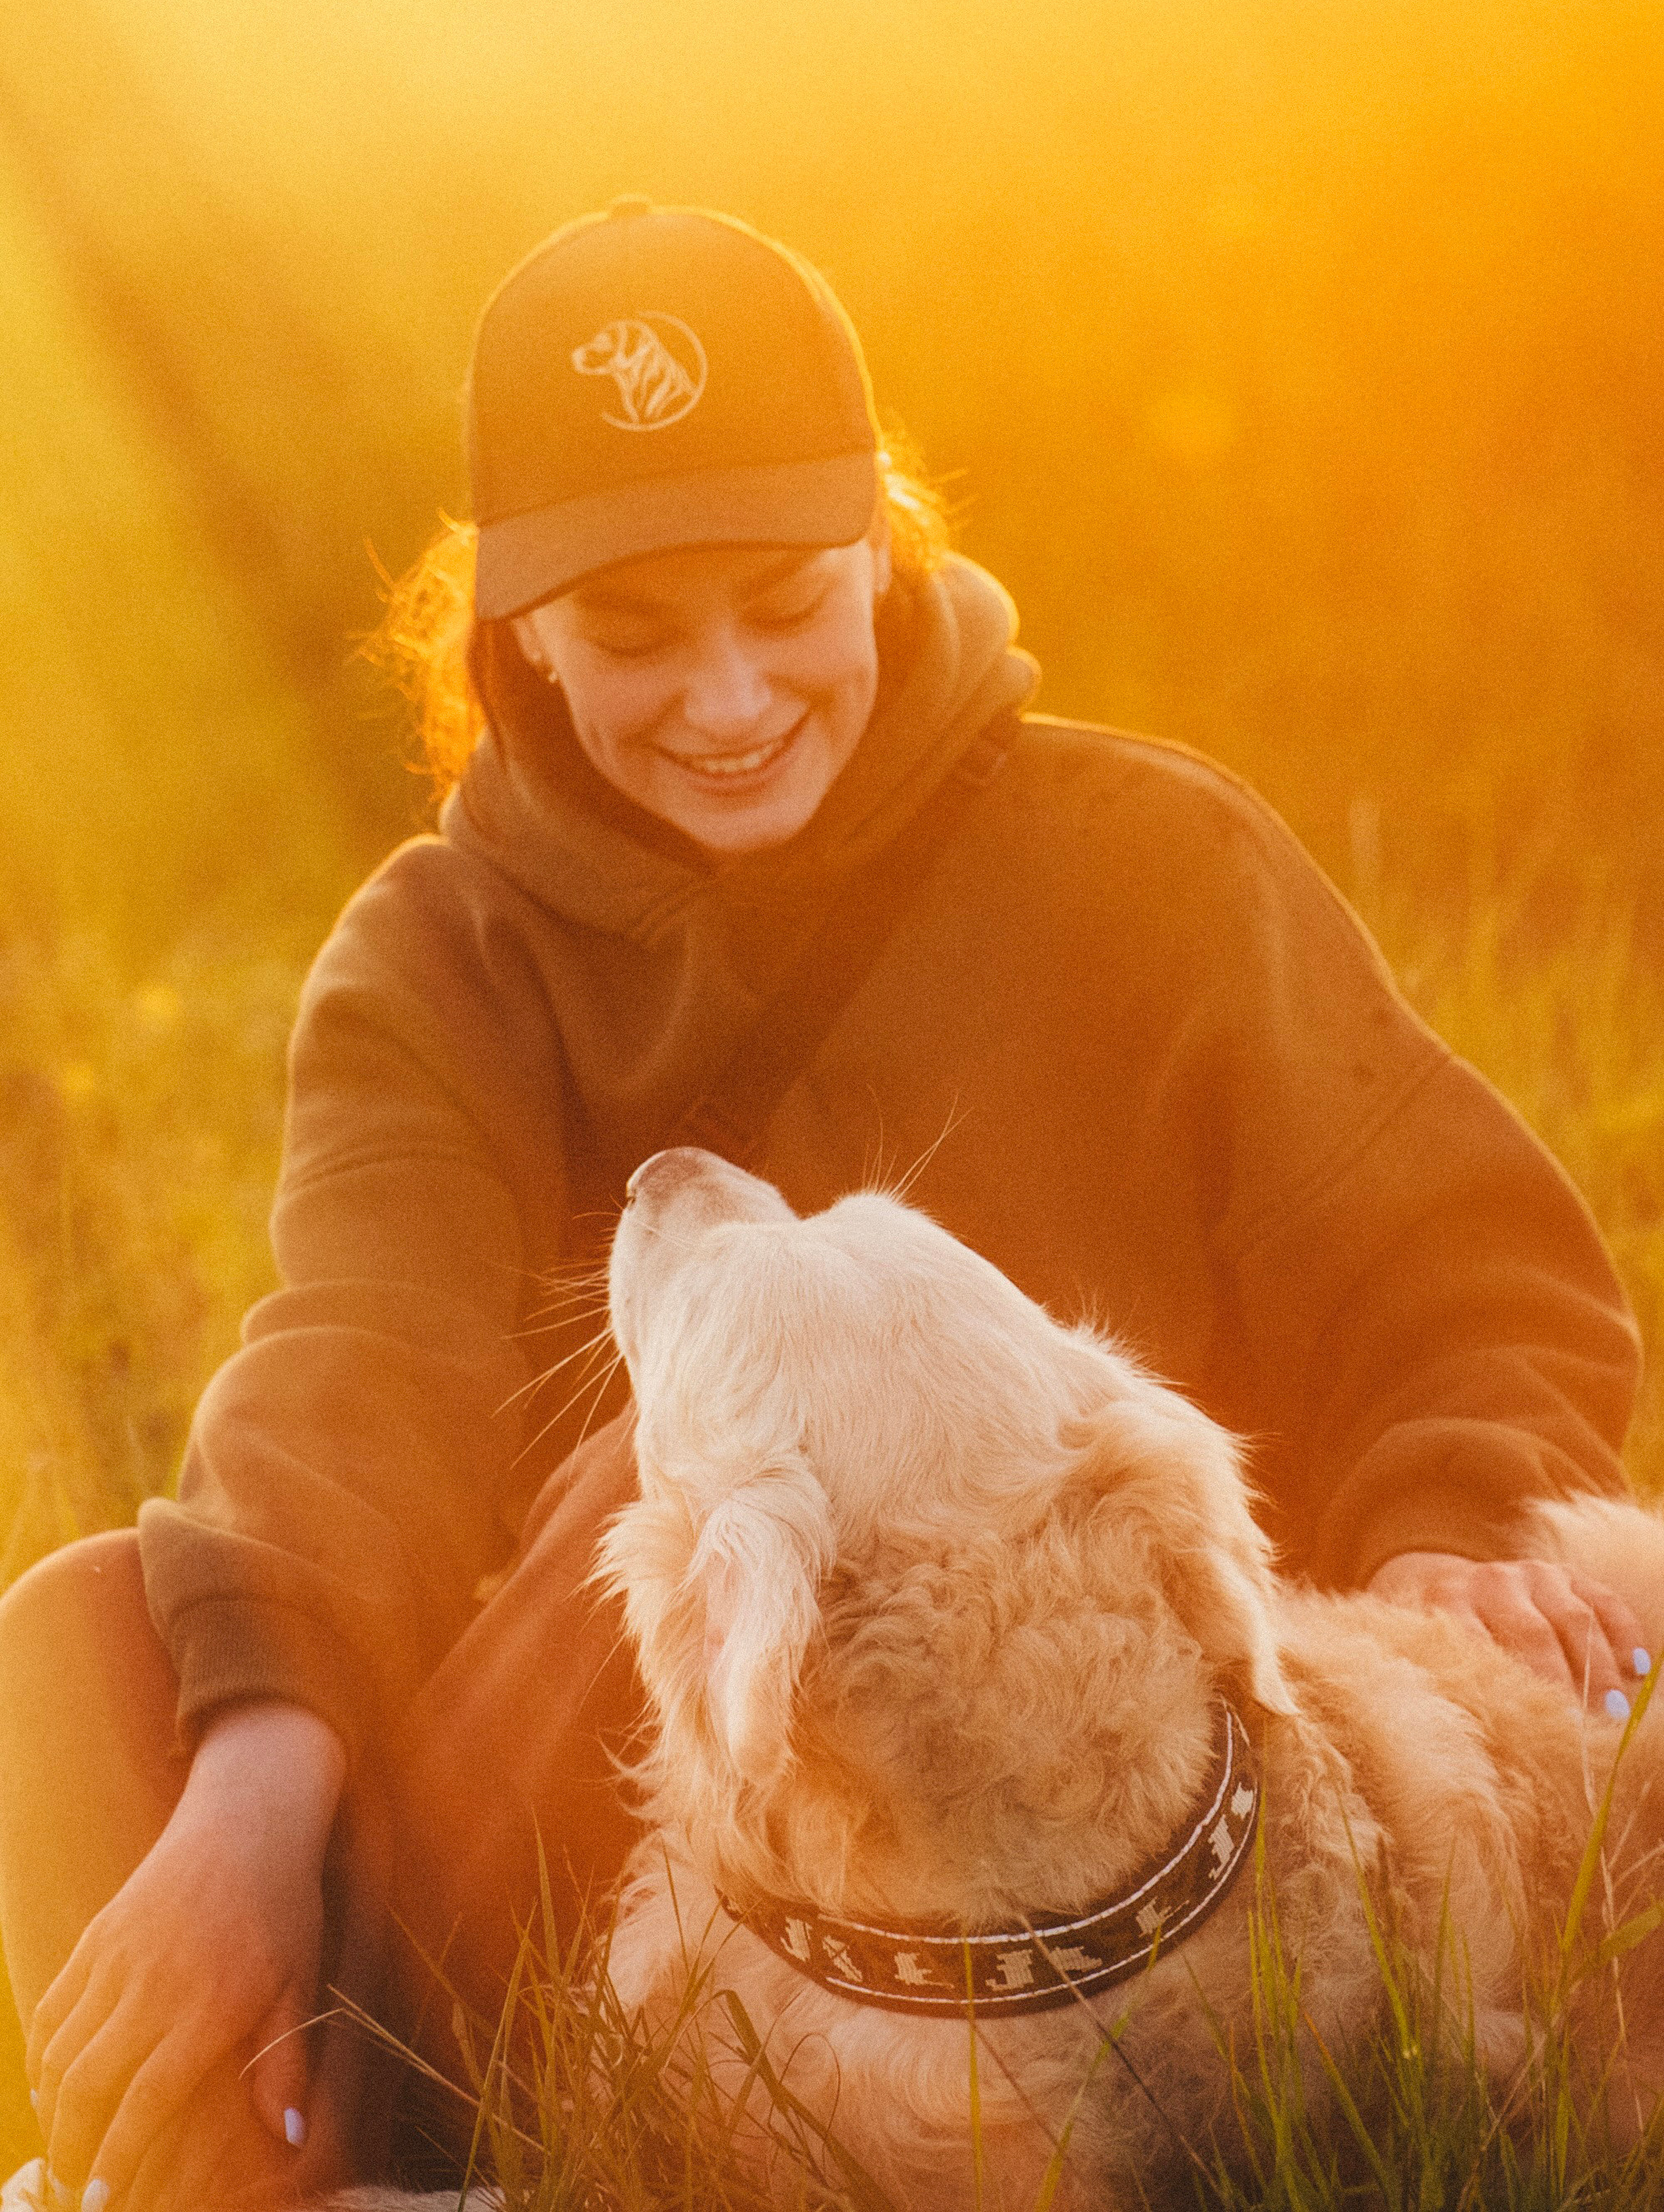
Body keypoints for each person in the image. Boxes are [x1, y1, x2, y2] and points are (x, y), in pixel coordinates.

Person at [0, 197, 1647, 2212]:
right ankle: (351, 2154)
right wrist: (245, 1819)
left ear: (888, 542)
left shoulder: (1152, 861)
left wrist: (1454, 1527)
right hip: (579, 1851)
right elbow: (362, 1376)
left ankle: (375, 2166)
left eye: (786, 601)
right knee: (76, 1646)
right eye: (630, 636)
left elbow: (1459, 1270)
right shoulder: (442, 954)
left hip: (1096, 1885)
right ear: (512, 633)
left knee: (674, 1484)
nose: (724, 696)